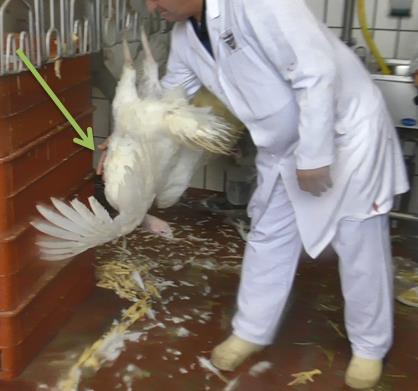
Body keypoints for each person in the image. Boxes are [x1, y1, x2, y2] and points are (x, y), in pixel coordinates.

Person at [102, 0, 409, 389]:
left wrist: (314, 156)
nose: (151, 6)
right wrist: (121, 139)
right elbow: (165, 101)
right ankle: (250, 331)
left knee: (357, 240)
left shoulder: (260, 4)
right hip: (280, 149)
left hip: (343, 135)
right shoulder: (185, 38)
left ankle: (369, 348)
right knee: (268, 234)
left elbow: (315, 72)